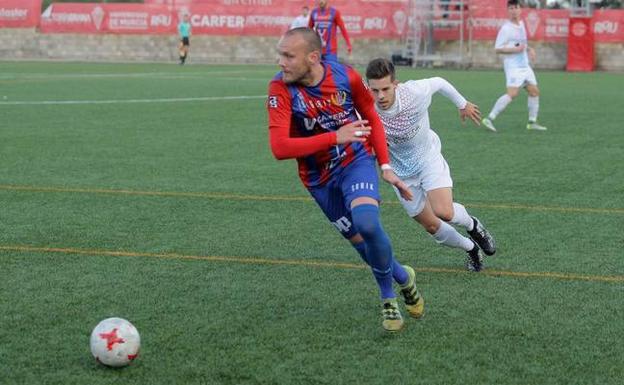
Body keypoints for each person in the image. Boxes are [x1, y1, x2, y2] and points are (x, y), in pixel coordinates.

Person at [267, 28, 423, 332]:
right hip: (318, 179)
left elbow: (371, 116)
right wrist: (333, 137)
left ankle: (388, 298)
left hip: (356, 160)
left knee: (367, 223)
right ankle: (404, 278)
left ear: (313, 58)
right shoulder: (280, 88)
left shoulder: (345, 77)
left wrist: (386, 165)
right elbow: (280, 148)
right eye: (280, 54)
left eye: (288, 55)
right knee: (363, 246)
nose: (281, 62)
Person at [365, 58, 496, 272]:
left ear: (395, 84)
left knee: (444, 211)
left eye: (385, 89)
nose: (380, 96)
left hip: (427, 158)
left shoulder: (414, 93)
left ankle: (473, 225)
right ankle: (471, 248)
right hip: (400, 173)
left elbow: (440, 81)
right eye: (375, 90)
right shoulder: (365, 104)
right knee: (432, 226)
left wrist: (462, 104)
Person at [481, 0, 547, 132]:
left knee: (534, 92)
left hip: (525, 66)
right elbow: (498, 48)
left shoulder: (522, 24)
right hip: (513, 67)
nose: (513, 10)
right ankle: (489, 118)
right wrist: (515, 50)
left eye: (515, 7)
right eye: (510, 8)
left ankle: (532, 122)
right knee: (512, 94)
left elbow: (522, 43)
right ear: (508, 10)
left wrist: (529, 49)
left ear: (520, 9)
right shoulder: (506, 29)